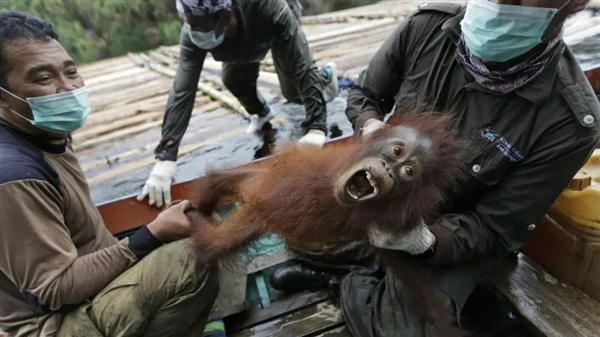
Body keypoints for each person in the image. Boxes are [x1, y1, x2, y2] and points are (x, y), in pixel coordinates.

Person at [269, 0, 600, 336]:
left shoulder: (570, 123)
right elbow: (366, 95)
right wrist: (371, 129)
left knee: (403, 331)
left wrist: (425, 242)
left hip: (457, 236)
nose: (500, 4)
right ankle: (363, 264)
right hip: (386, 199)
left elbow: (497, 227)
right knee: (295, 224)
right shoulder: (427, 28)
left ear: (572, 5)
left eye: (518, 0)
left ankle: (345, 286)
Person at [0, 12, 220, 337]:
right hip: (56, 325)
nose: (67, 88)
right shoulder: (13, 174)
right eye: (43, 79)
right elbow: (54, 290)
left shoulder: (46, 131)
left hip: (90, 292)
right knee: (192, 255)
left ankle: (206, 324)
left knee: (207, 225)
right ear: (3, 97)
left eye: (71, 72)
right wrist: (151, 235)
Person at [137, 0, 340, 208]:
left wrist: (317, 127)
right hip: (233, 36)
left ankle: (325, 76)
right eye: (189, 24)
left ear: (225, 16)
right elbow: (183, 89)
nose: (192, 31)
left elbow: (301, 65)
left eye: (197, 25)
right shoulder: (194, 31)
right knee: (234, 80)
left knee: (293, 90)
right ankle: (262, 112)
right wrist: (166, 156)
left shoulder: (270, 7)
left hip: (267, 23)